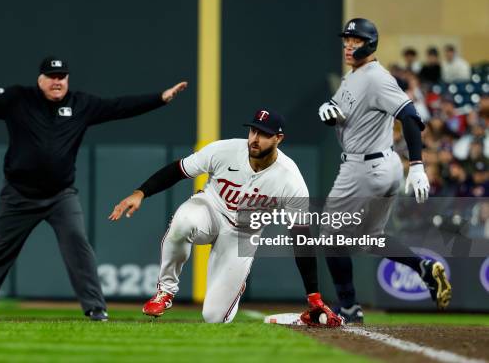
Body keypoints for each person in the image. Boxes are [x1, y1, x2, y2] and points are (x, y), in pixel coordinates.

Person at [0, 57, 187, 321]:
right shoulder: (18, 99)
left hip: (60, 196)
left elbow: (120, 106)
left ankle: (95, 309)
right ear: (40, 79)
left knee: (79, 249)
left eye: (62, 77)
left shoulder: (82, 104)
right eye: (52, 76)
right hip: (18, 196)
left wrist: (160, 98)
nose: (57, 81)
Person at [109, 109, 342, 326]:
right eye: (253, 130)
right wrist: (141, 193)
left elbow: (300, 238)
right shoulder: (225, 150)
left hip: (243, 234)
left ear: (279, 138)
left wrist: (314, 295)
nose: (255, 138)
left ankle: (234, 286)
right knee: (183, 223)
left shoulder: (290, 180)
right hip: (210, 209)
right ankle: (166, 291)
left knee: (213, 318)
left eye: (264, 134)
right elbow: (178, 170)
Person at [317, 18, 452, 323]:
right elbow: (343, 113)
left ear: (371, 44)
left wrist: (417, 165)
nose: (349, 45)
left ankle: (349, 306)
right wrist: (331, 113)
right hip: (380, 164)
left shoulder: (377, 77)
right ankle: (423, 268)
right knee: (369, 237)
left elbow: (411, 116)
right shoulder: (354, 76)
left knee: (330, 238)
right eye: (347, 40)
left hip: (364, 166)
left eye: (356, 40)